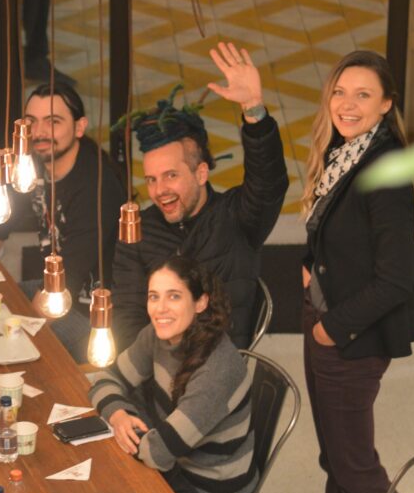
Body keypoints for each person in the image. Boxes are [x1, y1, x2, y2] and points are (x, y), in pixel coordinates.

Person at [299, 51, 414, 493]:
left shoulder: (387, 171)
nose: (347, 104)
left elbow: (396, 280)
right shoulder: (346, 152)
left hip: (349, 339)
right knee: (337, 460)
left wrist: (331, 328)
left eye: (363, 95)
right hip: (326, 320)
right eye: (340, 92)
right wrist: (310, 265)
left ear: (386, 104)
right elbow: (333, 226)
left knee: (356, 468)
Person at [111, 42, 288, 352]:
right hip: (156, 365)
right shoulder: (137, 229)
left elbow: (268, 180)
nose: (159, 190)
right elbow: (127, 314)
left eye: (171, 176)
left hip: (219, 367)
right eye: (151, 179)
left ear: (201, 173)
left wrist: (253, 109)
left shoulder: (238, 217)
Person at [89, 256, 255, 493]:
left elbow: (158, 453)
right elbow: (103, 379)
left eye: (174, 296)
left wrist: (126, 426)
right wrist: (118, 415)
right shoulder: (157, 336)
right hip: (176, 469)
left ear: (201, 302)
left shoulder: (217, 369)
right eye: (154, 296)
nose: (160, 309)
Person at [0, 82, 124, 362]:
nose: (40, 132)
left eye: (53, 122)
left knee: (2, 340)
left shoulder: (96, 187)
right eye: (32, 122)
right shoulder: (30, 167)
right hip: (53, 288)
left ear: (79, 127)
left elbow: (66, 283)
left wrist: (17, 337)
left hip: (91, 311)